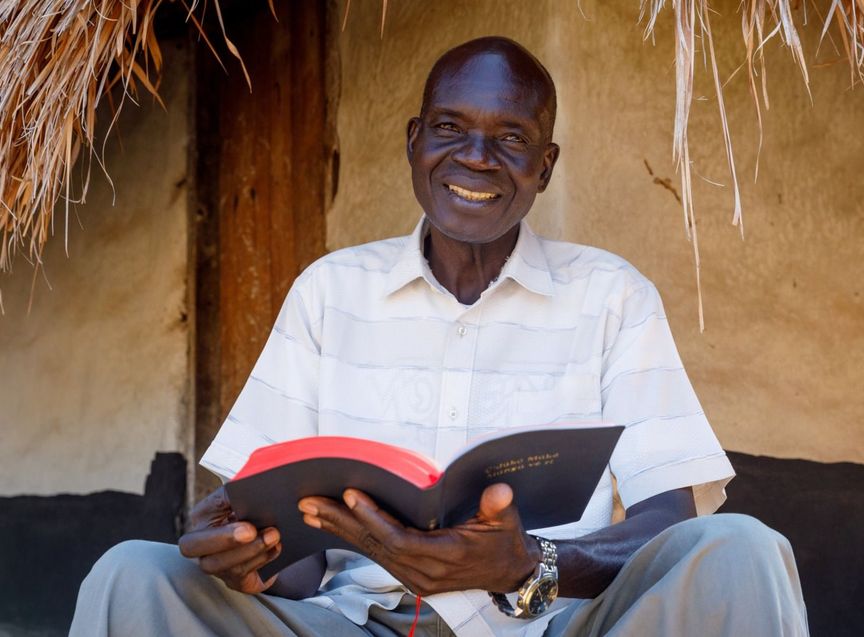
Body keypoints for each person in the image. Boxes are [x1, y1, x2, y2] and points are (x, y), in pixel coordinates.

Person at [71, 36, 809, 636]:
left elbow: (668, 518)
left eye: (510, 138)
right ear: (414, 141)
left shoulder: (612, 298)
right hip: (353, 621)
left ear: (543, 168)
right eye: (451, 128)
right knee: (132, 573)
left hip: (548, 623)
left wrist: (525, 563)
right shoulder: (331, 293)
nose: (477, 159)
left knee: (743, 548)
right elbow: (289, 566)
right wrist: (246, 554)